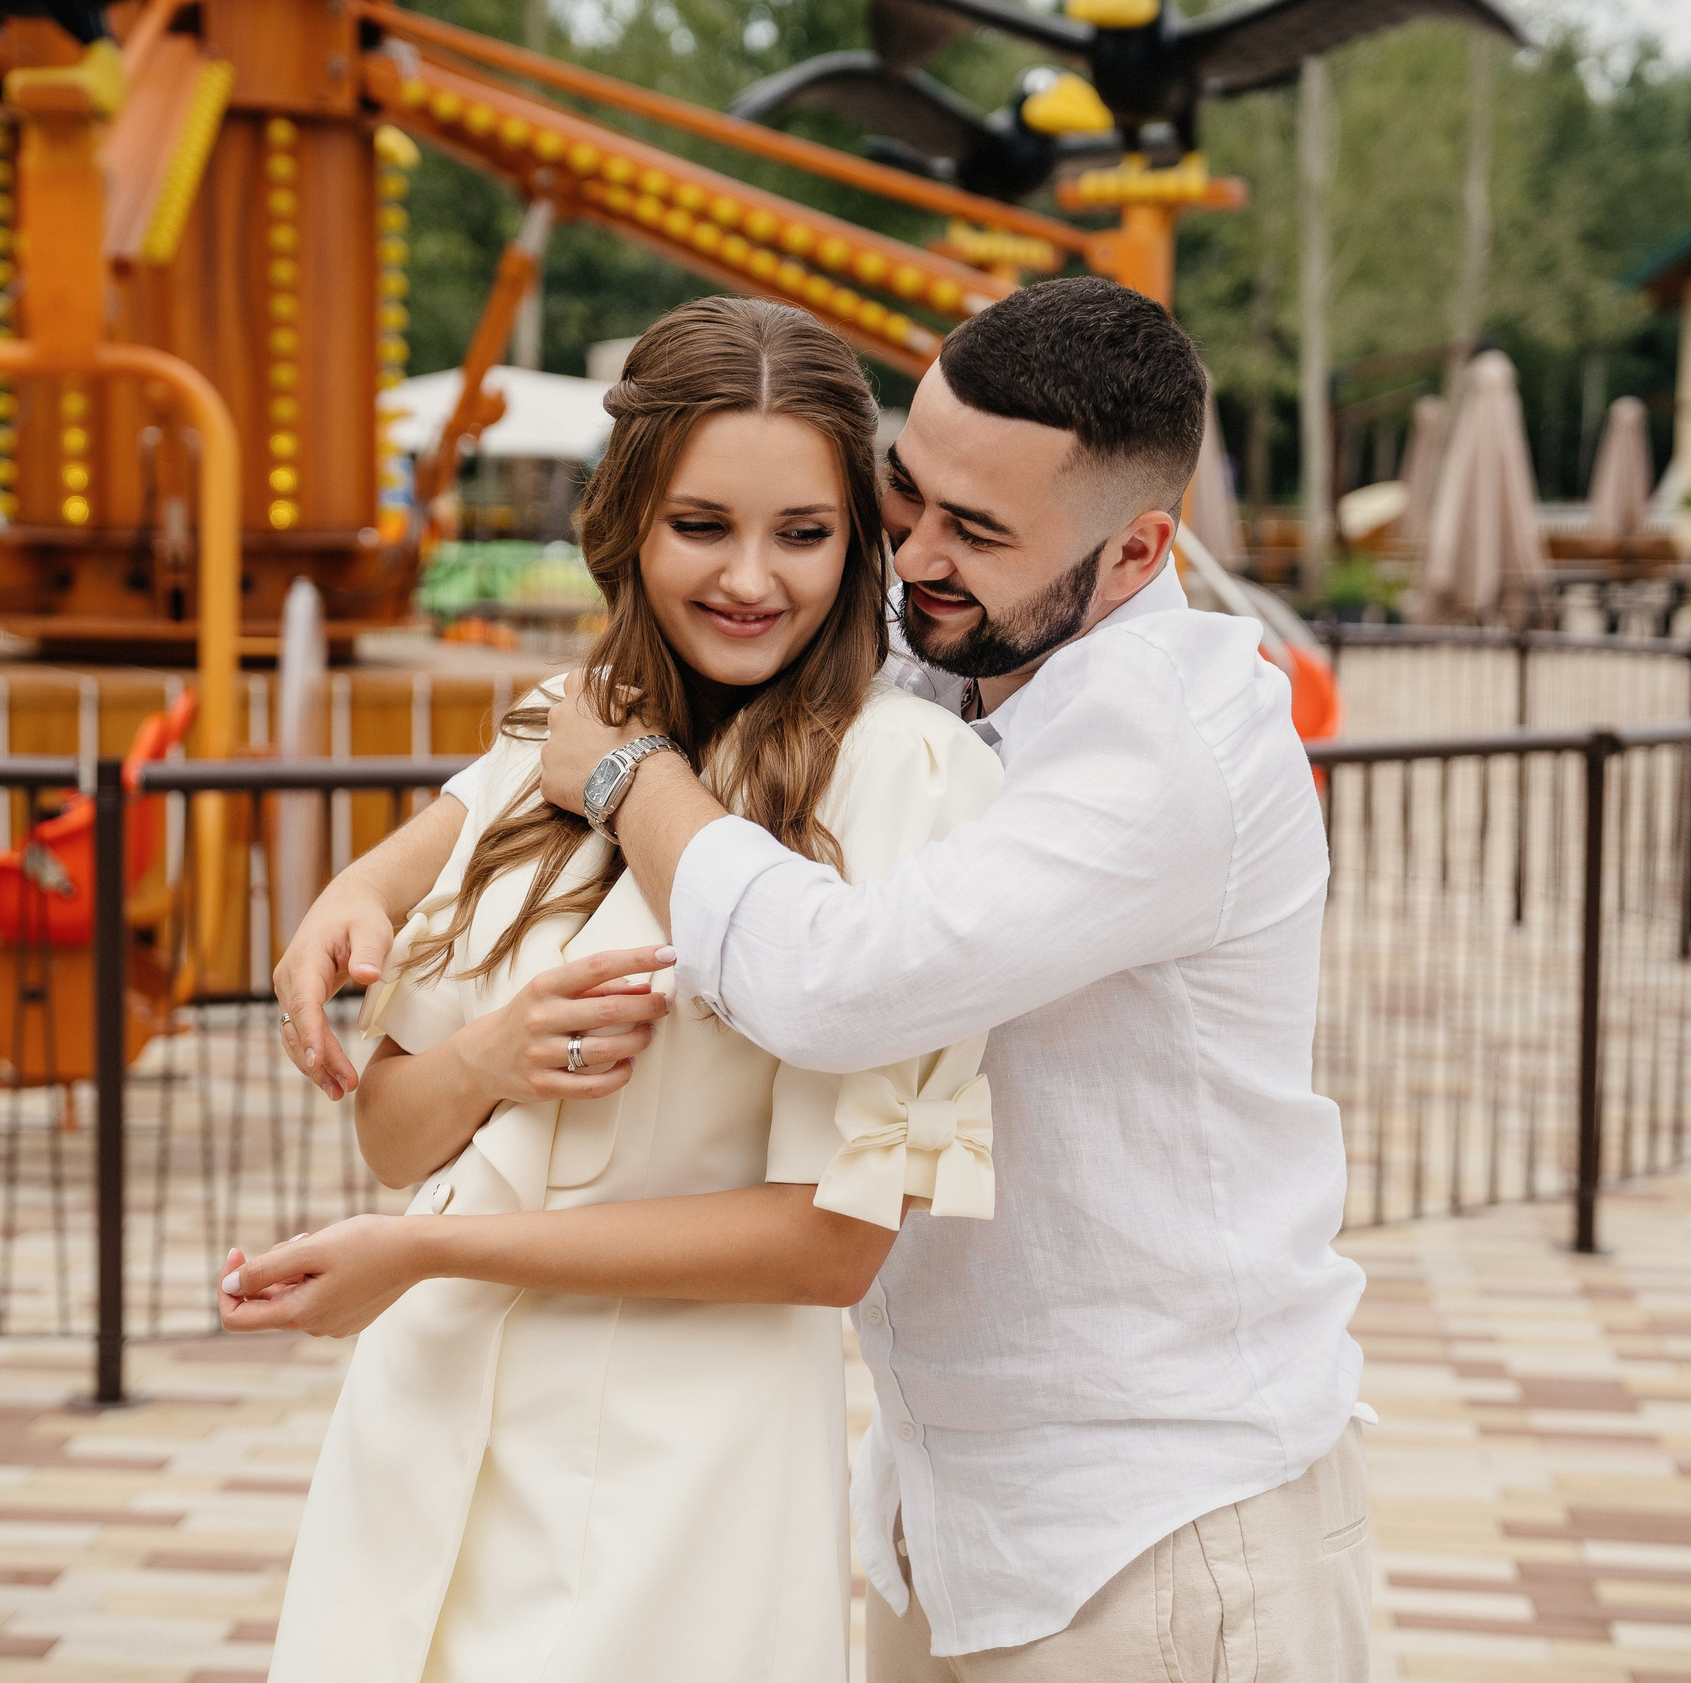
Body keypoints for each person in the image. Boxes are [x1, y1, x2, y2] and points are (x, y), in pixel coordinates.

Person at [534, 275, 1373, 1681]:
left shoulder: (1161, 746)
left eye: (974, 529)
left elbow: (836, 983)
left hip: (1153, 1532)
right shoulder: (967, 646)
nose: (910, 552)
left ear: (1135, 550)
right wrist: (381, 883)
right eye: (903, 493)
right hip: (948, 1509)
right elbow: (632, 699)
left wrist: (632, 787)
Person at [224, 297, 1002, 1683]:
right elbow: (398, 1139)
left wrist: (428, 1252)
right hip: (425, 1429)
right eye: (703, 525)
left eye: (803, 533)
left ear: (857, 540)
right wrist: (487, 1062)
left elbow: (831, 1248)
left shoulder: (903, 777)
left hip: (674, 1484)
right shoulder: (563, 723)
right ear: (630, 523)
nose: (752, 578)